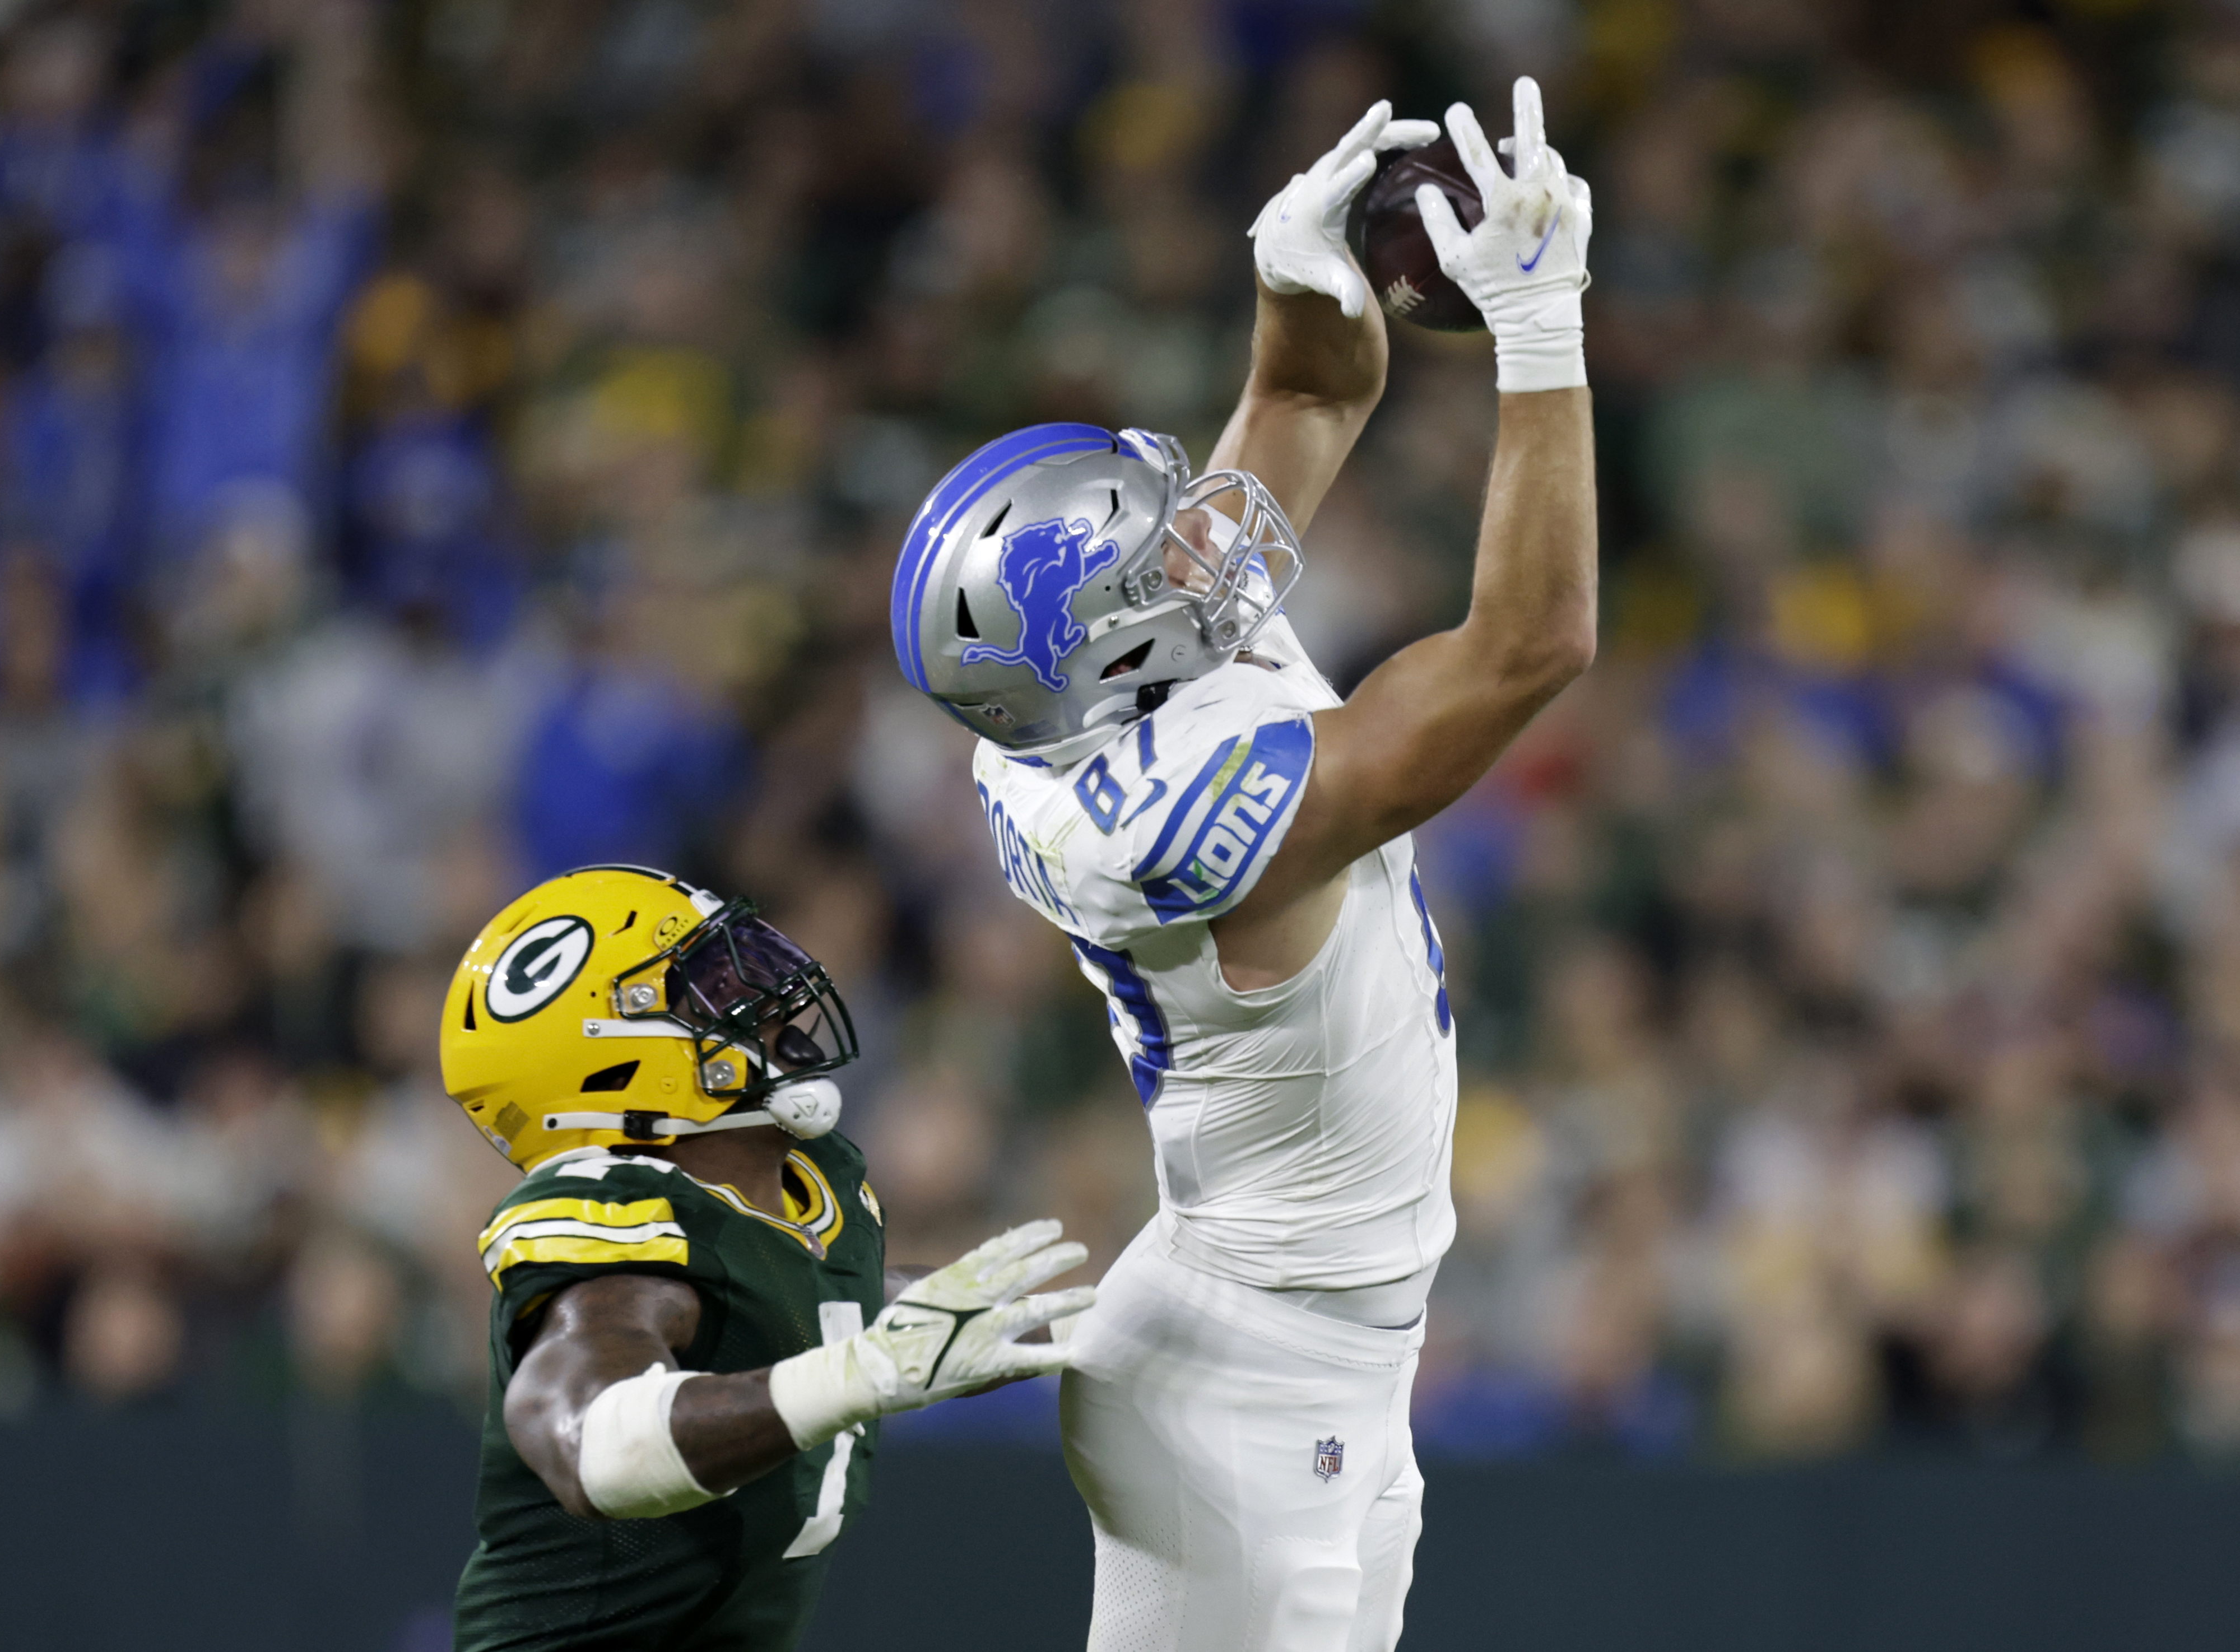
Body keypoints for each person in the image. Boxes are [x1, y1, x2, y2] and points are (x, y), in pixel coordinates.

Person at [886, 81, 1597, 1652]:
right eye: (1141, 551)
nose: (1184, 532)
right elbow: (1530, 645)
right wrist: (1543, 330)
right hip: (1247, 1375)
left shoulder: (1089, 683)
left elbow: (1310, 407)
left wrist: (1293, 271)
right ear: (1106, 643)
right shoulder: (1176, 803)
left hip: (1312, 1343)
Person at [442, 864, 1093, 1651]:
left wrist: (1095, 1317)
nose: (768, 989)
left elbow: (812, 1314)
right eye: (711, 980)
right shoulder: (616, 1220)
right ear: (611, 1057)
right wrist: (867, 1371)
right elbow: (595, 1445)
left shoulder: (814, 1187)